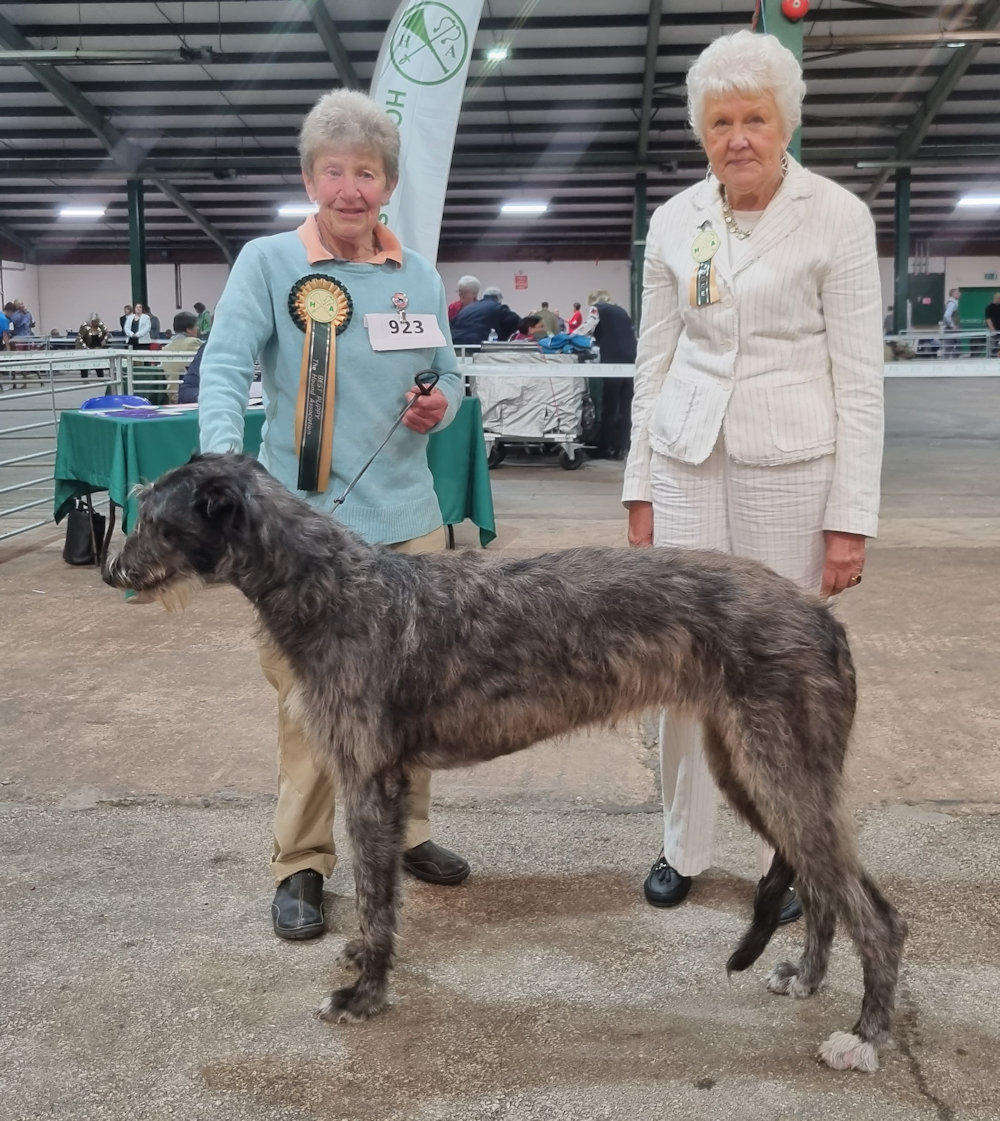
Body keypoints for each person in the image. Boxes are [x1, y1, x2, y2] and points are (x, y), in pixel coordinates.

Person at [197, 87, 471, 942]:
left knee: (421, 696)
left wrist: (442, 406)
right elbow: (224, 363)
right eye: (333, 171)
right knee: (311, 708)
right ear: (310, 178)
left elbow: (450, 376)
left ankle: (407, 831)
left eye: (367, 172)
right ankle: (303, 862)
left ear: (387, 182)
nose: (350, 188)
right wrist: (222, 469)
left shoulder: (415, 272)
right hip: (301, 534)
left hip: (410, 519)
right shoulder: (270, 263)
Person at [623, 30, 883, 924]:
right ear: (702, 131)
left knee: (778, 680)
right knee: (678, 675)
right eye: (721, 120)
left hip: (794, 479)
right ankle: (682, 844)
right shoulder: (674, 222)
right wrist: (641, 488)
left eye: (755, 119)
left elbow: (860, 376)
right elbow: (651, 364)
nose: (738, 136)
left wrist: (850, 516)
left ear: (786, 124)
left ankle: (788, 855)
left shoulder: (838, 217)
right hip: (688, 466)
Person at [579, 290, 637, 459]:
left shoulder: (597, 309)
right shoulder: (623, 312)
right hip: (632, 363)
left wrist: (567, 338)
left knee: (610, 407)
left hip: (612, 364)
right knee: (627, 409)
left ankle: (606, 448)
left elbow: (586, 329)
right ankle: (624, 448)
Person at [450, 285, 521, 345]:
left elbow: (452, 325)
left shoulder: (467, 309)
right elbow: (519, 324)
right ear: (499, 299)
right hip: (476, 346)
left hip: (456, 345)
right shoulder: (499, 308)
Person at [159, 310, 202, 401]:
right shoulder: (193, 342)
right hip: (190, 395)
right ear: (189, 329)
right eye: (196, 326)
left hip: (172, 395)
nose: (198, 328)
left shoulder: (166, 347)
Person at [74, 312, 110, 378]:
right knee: (84, 365)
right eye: (95, 321)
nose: (97, 323)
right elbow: (79, 339)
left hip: (97, 348)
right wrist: (87, 349)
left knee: (99, 365)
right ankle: (84, 379)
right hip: (85, 348)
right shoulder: (84, 326)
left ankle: (101, 378)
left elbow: (107, 333)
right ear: (91, 321)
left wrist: (105, 339)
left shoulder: (100, 325)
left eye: (97, 321)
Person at [941, 287, 960, 357]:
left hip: (950, 329)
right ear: (953, 294)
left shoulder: (953, 303)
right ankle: (949, 362)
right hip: (951, 329)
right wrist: (952, 325)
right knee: (950, 347)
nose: (959, 294)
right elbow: (947, 315)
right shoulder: (952, 304)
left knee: (952, 347)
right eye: (958, 293)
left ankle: (951, 360)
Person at [984, 292, 1000, 357]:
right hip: (994, 331)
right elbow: (988, 318)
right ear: (996, 298)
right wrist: (992, 328)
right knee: (993, 346)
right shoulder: (989, 307)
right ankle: (992, 358)